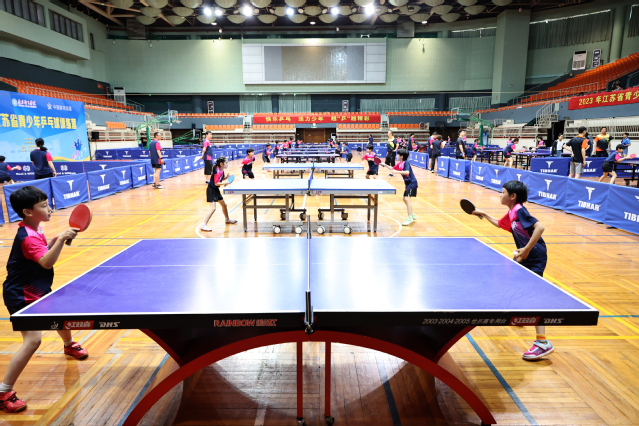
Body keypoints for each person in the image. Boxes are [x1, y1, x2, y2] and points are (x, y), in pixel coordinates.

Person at [0, 186, 88, 412]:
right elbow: (46, 262)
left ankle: (69, 345)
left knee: (59, 316)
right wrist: (61, 240)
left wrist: (55, 239)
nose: (50, 208)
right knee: (33, 341)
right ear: (28, 212)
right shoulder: (28, 237)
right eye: (44, 205)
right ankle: (3, 392)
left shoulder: (33, 228)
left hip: (37, 288)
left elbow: (40, 253)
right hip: (21, 294)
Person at [471, 180, 552, 361]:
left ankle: (542, 343)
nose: (500, 195)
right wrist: (483, 213)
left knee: (534, 296)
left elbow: (540, 227)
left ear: (513, 196)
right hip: (526, 256)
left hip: (535, 256)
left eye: (503, 192)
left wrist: (526, 250)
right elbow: (500, 224)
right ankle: (523, 314)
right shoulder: (512, 212)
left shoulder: (519, 210)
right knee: (515, 282)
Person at [200, 157, 237, 231]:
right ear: (221, 164)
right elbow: (216, 183)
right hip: (211, 190)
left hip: (216, 190)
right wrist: (225, 182)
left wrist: (225, 178)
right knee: (213, 208)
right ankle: (203, 225)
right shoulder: (217, 171)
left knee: (224, 205)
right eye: (226, 163)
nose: (227, 164)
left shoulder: (221, 170)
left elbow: (219, 179)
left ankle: (227, 219)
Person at [388, 149, 418, 226]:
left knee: (407, 199)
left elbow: (407, 172)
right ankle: (411, 213)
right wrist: (384, 164)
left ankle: (410, 217)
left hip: (412, 182)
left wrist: (397, 172)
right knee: (405, 199)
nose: (397, 156)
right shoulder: (400, 163)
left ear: (401, 156)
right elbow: (393, 168)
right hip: (407, 184)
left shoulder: (406, 163)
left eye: (398, 155)